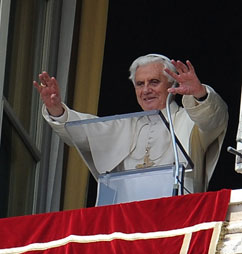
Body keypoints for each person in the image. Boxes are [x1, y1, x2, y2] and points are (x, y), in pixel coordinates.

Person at [33, 54, 228, 194]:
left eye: (154, 82)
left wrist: (199, 94)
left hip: (177, 216)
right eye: (140, 84)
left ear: (172, 85)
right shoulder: (124, 125)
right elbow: (83, 133)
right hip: (127, 219)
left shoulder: (190, 120)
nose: (146, 90)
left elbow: (214, 119)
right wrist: (57, 109)